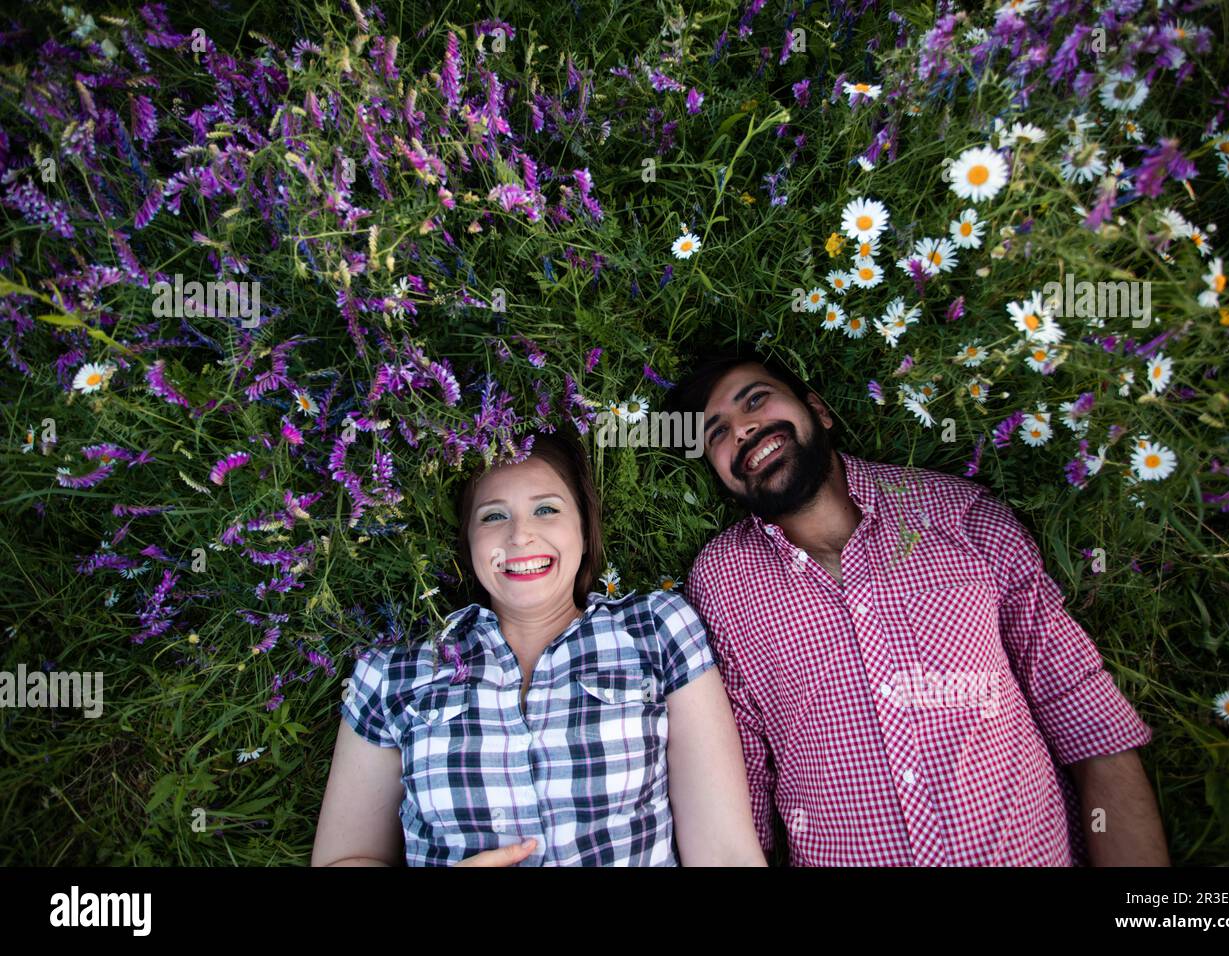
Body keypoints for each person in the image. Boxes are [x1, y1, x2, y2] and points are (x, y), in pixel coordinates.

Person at [664, 345, 1170, 867]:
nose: (742, 429)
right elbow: (741, 767)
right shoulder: (721, 579)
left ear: (818, 410)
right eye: (716, 433)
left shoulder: (961, 514)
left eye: (756, 400)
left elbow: (1088, 723)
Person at [312, 427, 766, 866]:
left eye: (546, 509)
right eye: (493, 515)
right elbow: (346, 857)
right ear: (468, 544)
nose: (519, 535)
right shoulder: (394, 671)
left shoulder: (655, 629)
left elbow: (727, 853)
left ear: (585, 531)